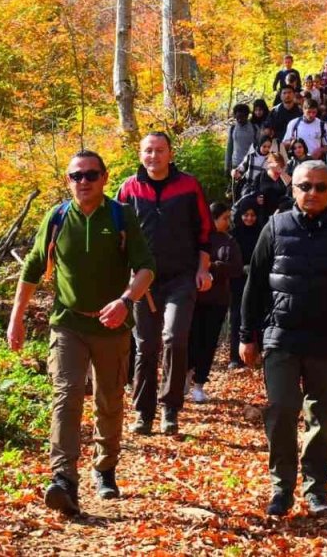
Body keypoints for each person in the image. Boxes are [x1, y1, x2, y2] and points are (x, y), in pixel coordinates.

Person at [8, 150, 156, 517]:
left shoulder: (121, 216)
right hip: (68, 323)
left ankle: (105, 468)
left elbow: (146, 268)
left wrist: (125, 301)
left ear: (105, 178)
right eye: (77, 176)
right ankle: (63, 479)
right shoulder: (57, 217)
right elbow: (31, 267)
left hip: (112, 326)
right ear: (68, 180)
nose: (84, 182)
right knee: (67, 395)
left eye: (91, 175)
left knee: (108, 400)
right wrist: (17, 319)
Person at [240, 160, 327, 517]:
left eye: (320, 187)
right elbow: (254, 285)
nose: (312, 193)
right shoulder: (275, 227)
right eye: (305, 186)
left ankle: (317, 489)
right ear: (293, 189)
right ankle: (282, 488)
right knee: (281, 410)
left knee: (322, 415)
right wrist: (246, 335)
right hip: (280, 336)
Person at [117, 133, 214, 436]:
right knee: (146, 347)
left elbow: (205, 232)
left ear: (170, 154)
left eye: (160, 151)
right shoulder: (129, 188)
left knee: (174, 338)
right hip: (143, 281)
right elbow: (117, 237)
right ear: (140, 153)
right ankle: (143, 413)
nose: (153, 156)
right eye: (148, 151)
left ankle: (170, 409)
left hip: (181, 278)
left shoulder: (188, 185)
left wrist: (203, 269)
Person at [188, 202, 242, 403]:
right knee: (190, 340)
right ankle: (185, 377)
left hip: (217, 300)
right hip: (194, 299)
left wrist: (214, 266)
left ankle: (199, 384)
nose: (228, 222)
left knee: (208, 343)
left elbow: (236, 267)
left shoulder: (229, 241)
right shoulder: (197, 239)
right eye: (224, 218)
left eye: (229, 218)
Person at [228, 195, 262, 368]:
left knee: (257, 315)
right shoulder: (234, 234)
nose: (249, 218)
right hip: (238, 280)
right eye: (246, 215)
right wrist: (241, 268)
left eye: (253, 215)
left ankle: (257, 354)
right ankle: (235, 356)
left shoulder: (262, 233)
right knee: (236, 317)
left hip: (256, 280)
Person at [225, 104, 257, 181]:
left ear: (246, 116)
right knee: (235, 189)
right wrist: (227, 166)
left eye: (242, 117)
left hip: (250, 164)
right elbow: (229, 148)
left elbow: (258, 147)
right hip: (235, 163)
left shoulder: (254, 128)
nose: (239, 120)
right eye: (237, 117)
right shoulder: (233, 128)